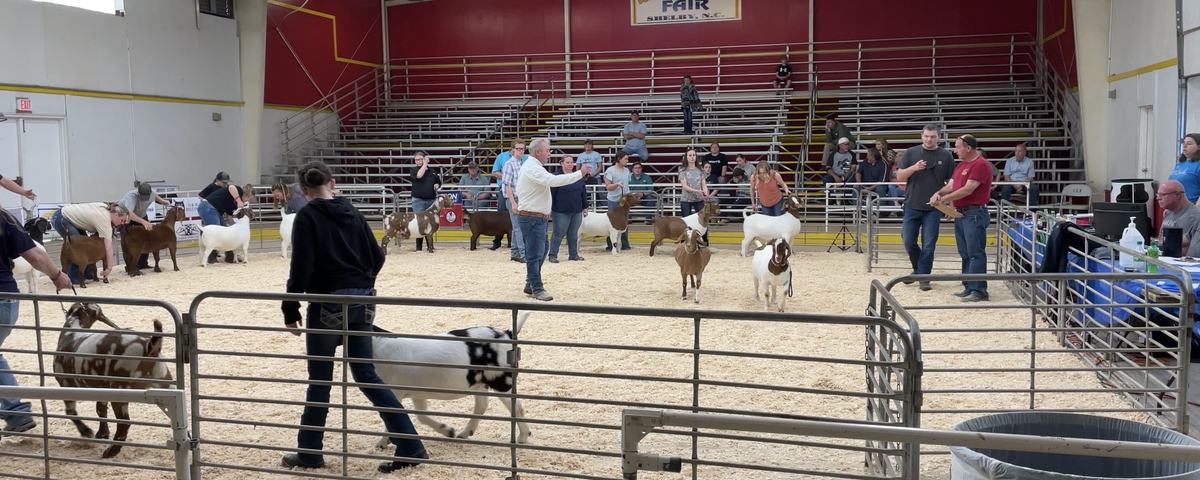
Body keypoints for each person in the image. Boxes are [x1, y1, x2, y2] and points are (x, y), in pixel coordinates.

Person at [280, 161, 428, 473]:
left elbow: (301, 268)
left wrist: (290, 309)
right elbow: (377, 256)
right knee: (367, 376)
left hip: (325, 305)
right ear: (331, 183)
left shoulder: (307, 217)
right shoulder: (353, 212)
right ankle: (410, 444)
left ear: (304, 190)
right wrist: (362, 283)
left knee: (320, 381)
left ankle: (309, 453)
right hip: (362, 302)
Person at [0, 211, 73, 437]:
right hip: (7, 299)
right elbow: (35, 255)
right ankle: (16, 413)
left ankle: (17, 412)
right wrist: (56, 275)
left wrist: (55, 274)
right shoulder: (3, 217)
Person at [514, 138, 590, 301]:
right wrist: (579, 173)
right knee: (535, 253)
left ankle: (530, 283)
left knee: (541, 250)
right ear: (538, 152)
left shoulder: (533, 166)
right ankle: (537, 287)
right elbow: (553, 181)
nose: (549, 154)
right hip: (531, 217)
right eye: (548, 150)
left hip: (535, 217)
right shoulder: (532, 168)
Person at [930, 134, 993, 302]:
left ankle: (979, 290)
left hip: (974, 213)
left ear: (968, 147)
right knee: (966, 252)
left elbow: (968, 189)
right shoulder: (962, 166)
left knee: (975, 252)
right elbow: (951, 185)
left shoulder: (981, 165)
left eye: (957, 147)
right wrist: (939, 192)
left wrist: (943, 198)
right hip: (962, 212)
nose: (955, 150)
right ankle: (969, 286)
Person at [897, 124, 954, 290]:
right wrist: (914, 168)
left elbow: (952, 182)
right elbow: (900, 176)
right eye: (927, 136)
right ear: (921, 136)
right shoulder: (911, 152)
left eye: (933, 136)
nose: (929, 139)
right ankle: (918, 270)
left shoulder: (946, 155)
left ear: (939, 137)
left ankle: (924, 277)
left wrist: (951, 201)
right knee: (908, 240)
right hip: (911, 204)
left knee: (929, 244)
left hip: (934, 207)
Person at [50, 202, 130, 283]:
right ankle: (74, 277)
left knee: (85, 247)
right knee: (77, 248)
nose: (122, 223)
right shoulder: (105, 221)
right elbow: (108, 248)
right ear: (116, 215)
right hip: (61, 218)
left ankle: (87, 273)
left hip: (69, 218)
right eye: (122, 220)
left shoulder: (107, 208)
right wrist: (109, 268)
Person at [119, 182, 173, 270]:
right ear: (138, 193)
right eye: (142, 196)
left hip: (141, 216)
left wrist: (164, 202)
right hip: (126, 218)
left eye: (146, 196)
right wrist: (144, 222)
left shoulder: (152, 193)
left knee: (148, 238)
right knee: (129, 242)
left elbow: (156, 197)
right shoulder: (132, 196)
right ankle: (131, 267)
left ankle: (143, 264)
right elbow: (130, 214)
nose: (145, 198)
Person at [200, 181, 252, 264]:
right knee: (216, 231)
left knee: (225, 232)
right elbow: (231, 187)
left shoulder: (235, 205)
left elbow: (230, 217)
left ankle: (230, 257)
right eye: (249, 199)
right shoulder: (239, 191)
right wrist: (239, 201)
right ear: (246, 195)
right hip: (208, 207)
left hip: (215, 210)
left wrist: (235, 228)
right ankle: (211, 258)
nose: (247, 201)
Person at [548, 156, 587, 264]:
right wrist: (550, 208)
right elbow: (552, 194)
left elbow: (583, 193)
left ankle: (573, 255)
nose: (570, 164)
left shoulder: (578, 176)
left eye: (571, 162)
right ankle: (552, 255)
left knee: (573, 234)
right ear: (562, 163)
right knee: (558, 233)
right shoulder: (556, 176)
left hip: (576, 209)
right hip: (560, 210)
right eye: (567, 162)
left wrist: (585, 206)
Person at [409, 152, 442, 252]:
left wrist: (437, 185)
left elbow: (438, 181)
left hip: (431, 200)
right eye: (416, 160)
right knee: (420, 223)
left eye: (420, 159)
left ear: (424, 158)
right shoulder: (414, 169)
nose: (418, 161)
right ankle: (418, 247)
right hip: (418, 200)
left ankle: (430, 246)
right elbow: (419, 176)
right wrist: (425, 164)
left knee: (430, 224)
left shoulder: (432, 171)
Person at [1157, 180, 1200, 256]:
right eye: (1157, 195)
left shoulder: (1195, 217)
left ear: (1178, 195)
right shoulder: (1168, 212)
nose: (1158, 198)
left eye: (1162, 195)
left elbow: (1195, 254)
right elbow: (1160, 241)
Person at [501, 143, 528, 262]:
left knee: (518, 226)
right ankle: (523, 254)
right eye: (518, 149)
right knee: (519, 227)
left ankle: (515, 252)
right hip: (514, 198)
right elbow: (506, 185)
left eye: (522, 149)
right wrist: (512, 202)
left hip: (522, 198)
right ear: (513, 150)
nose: (520, 151)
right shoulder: (509, 164)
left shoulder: (524, 163)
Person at [603, 152, 633, 251]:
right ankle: (611, 245)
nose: (627, 161)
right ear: (619, 159)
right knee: (612, 222)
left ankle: (625, 244)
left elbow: (627, 184)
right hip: (613, 199)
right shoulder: (610, 170)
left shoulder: (626, 170)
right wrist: (616, 184)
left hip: (624, 199)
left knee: (624, 222)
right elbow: (608, 187)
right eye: (625, 159)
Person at [679, 148, 709, 220]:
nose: (692, 157)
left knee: (702, 220)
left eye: (694, 155)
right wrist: (697, 191)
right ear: (686, 157)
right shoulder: (682, 170)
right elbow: (685, 186)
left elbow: (704, 184)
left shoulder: (700, 170)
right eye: (690, 155)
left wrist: (706, 193)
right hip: (686, 200)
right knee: (687, 222)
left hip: (699, 199)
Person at [1169, 133, 1200, 203]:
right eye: (1184, 143)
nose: (1185, 146)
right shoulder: (1180, 164)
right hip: (1175, 207)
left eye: (1189, 144)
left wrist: (1196, 210)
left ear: (1199, 147)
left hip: (1192, 207)